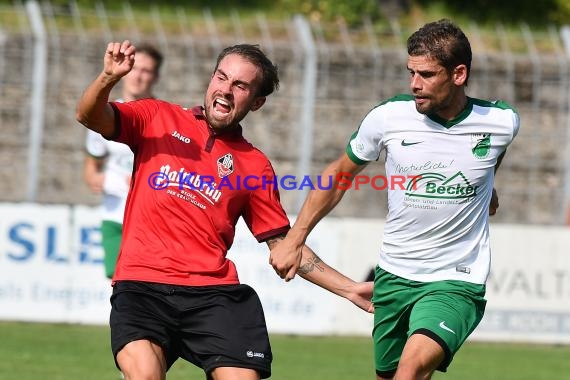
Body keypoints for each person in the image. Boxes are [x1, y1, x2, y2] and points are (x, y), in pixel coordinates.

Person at [76, 40, 373, 380]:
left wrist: (349, 288)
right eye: (222, 77)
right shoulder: (157, 116)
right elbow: (88, 115)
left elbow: (284, 247)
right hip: (143, 287)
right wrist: (107, 78)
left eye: (241, 85)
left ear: (257, 102)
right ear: (211, 79)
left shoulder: (255, 166)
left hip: (212, 295)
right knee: (144, 375)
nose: (227, 90)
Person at [269, 19, 520, 379]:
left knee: (410, 370)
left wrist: (486, 186)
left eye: (427, 75)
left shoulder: (501, 121)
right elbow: (338, 174)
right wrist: (295, 239)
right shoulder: (388, 117)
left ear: (459, 74)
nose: (414, 84)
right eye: (410, 73)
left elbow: (491, 157)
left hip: (456, 279)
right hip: (394, 277)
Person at [83, 43, 163, 279]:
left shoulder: (165, 116)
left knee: (149, 284)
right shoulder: (104, 115)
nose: (138, 76)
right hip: (115, 216)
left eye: (146, 71)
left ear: (156, 77)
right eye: (136, 68)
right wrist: (102, 180)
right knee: (119, 281)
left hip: (151, 219)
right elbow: (91, 170)